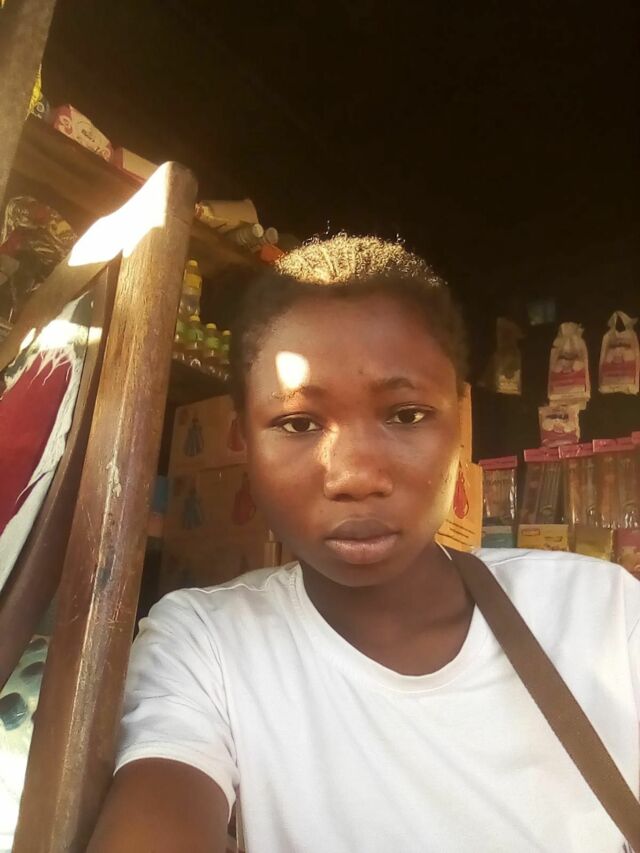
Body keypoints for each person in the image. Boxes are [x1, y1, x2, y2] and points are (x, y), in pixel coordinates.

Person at [89, 235, 640, 852]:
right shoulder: (205, 646)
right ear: (244, 442)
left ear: (459, 421)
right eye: (298, 423)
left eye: (406, 415)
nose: (354, 476)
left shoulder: (602, 614)